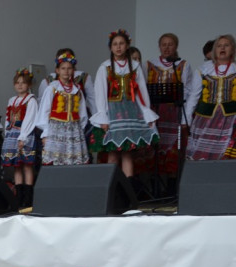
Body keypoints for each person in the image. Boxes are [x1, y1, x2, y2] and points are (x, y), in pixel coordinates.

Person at [89, 29, 158, 187]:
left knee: (127, 153)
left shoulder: (135, 66)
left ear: (127, 45)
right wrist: (103, 117)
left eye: (121, 43)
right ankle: (111, 189)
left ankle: (128, 192)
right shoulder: (105, 67)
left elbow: (141, 91)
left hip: (131, 112)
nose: (118, 47)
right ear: (111, 47)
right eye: (115, 44)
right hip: (113, 113)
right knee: (113, 153)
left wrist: (146, 113)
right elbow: (100, 93)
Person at [146, 33, 199, 190]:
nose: (167, 47)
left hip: (174, 113)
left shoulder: (182, 64)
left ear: (176, 46)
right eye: (163, 44)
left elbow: (188, 89)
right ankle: (154, 188)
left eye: (170, 44)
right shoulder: (149, 64)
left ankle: (170, 188)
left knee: (173, 150)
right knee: (154, 149)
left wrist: (184, 117)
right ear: (159, 46)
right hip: (156, 113)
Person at [35, 50, 89, 166]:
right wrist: (46, 134)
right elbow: (44, 112)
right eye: (63, 68)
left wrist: (78, 131)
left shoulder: (77, 90)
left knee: (73, 161)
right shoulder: (52, 88)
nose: (66, 71)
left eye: (69, 68)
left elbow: (82, 114)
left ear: (73, 70)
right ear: (57, 70)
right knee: (56, 161)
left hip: (73, 131)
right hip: (56, 131)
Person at [188, 34, 236, 161]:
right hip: (206, 118)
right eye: (219, 46)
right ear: (214, 50)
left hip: (231, 118)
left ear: (233, 49)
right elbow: (194, 95)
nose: (222, 48)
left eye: (226, 45)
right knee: (203, 154)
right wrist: (185, 119)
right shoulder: (203, 69)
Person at [1, 67, 39, 210]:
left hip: (25, 135)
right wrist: (7, 133)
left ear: (29, 85)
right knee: (16, 167)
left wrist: (23, 137)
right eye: (17, 83)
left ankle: (28, 199)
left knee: (27, 166)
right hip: (12, 135)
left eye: (23, 83)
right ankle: (19, 198)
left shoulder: (31, 100)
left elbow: (30, 119)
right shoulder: (12, 100)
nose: (20, 85)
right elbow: (8, 118)